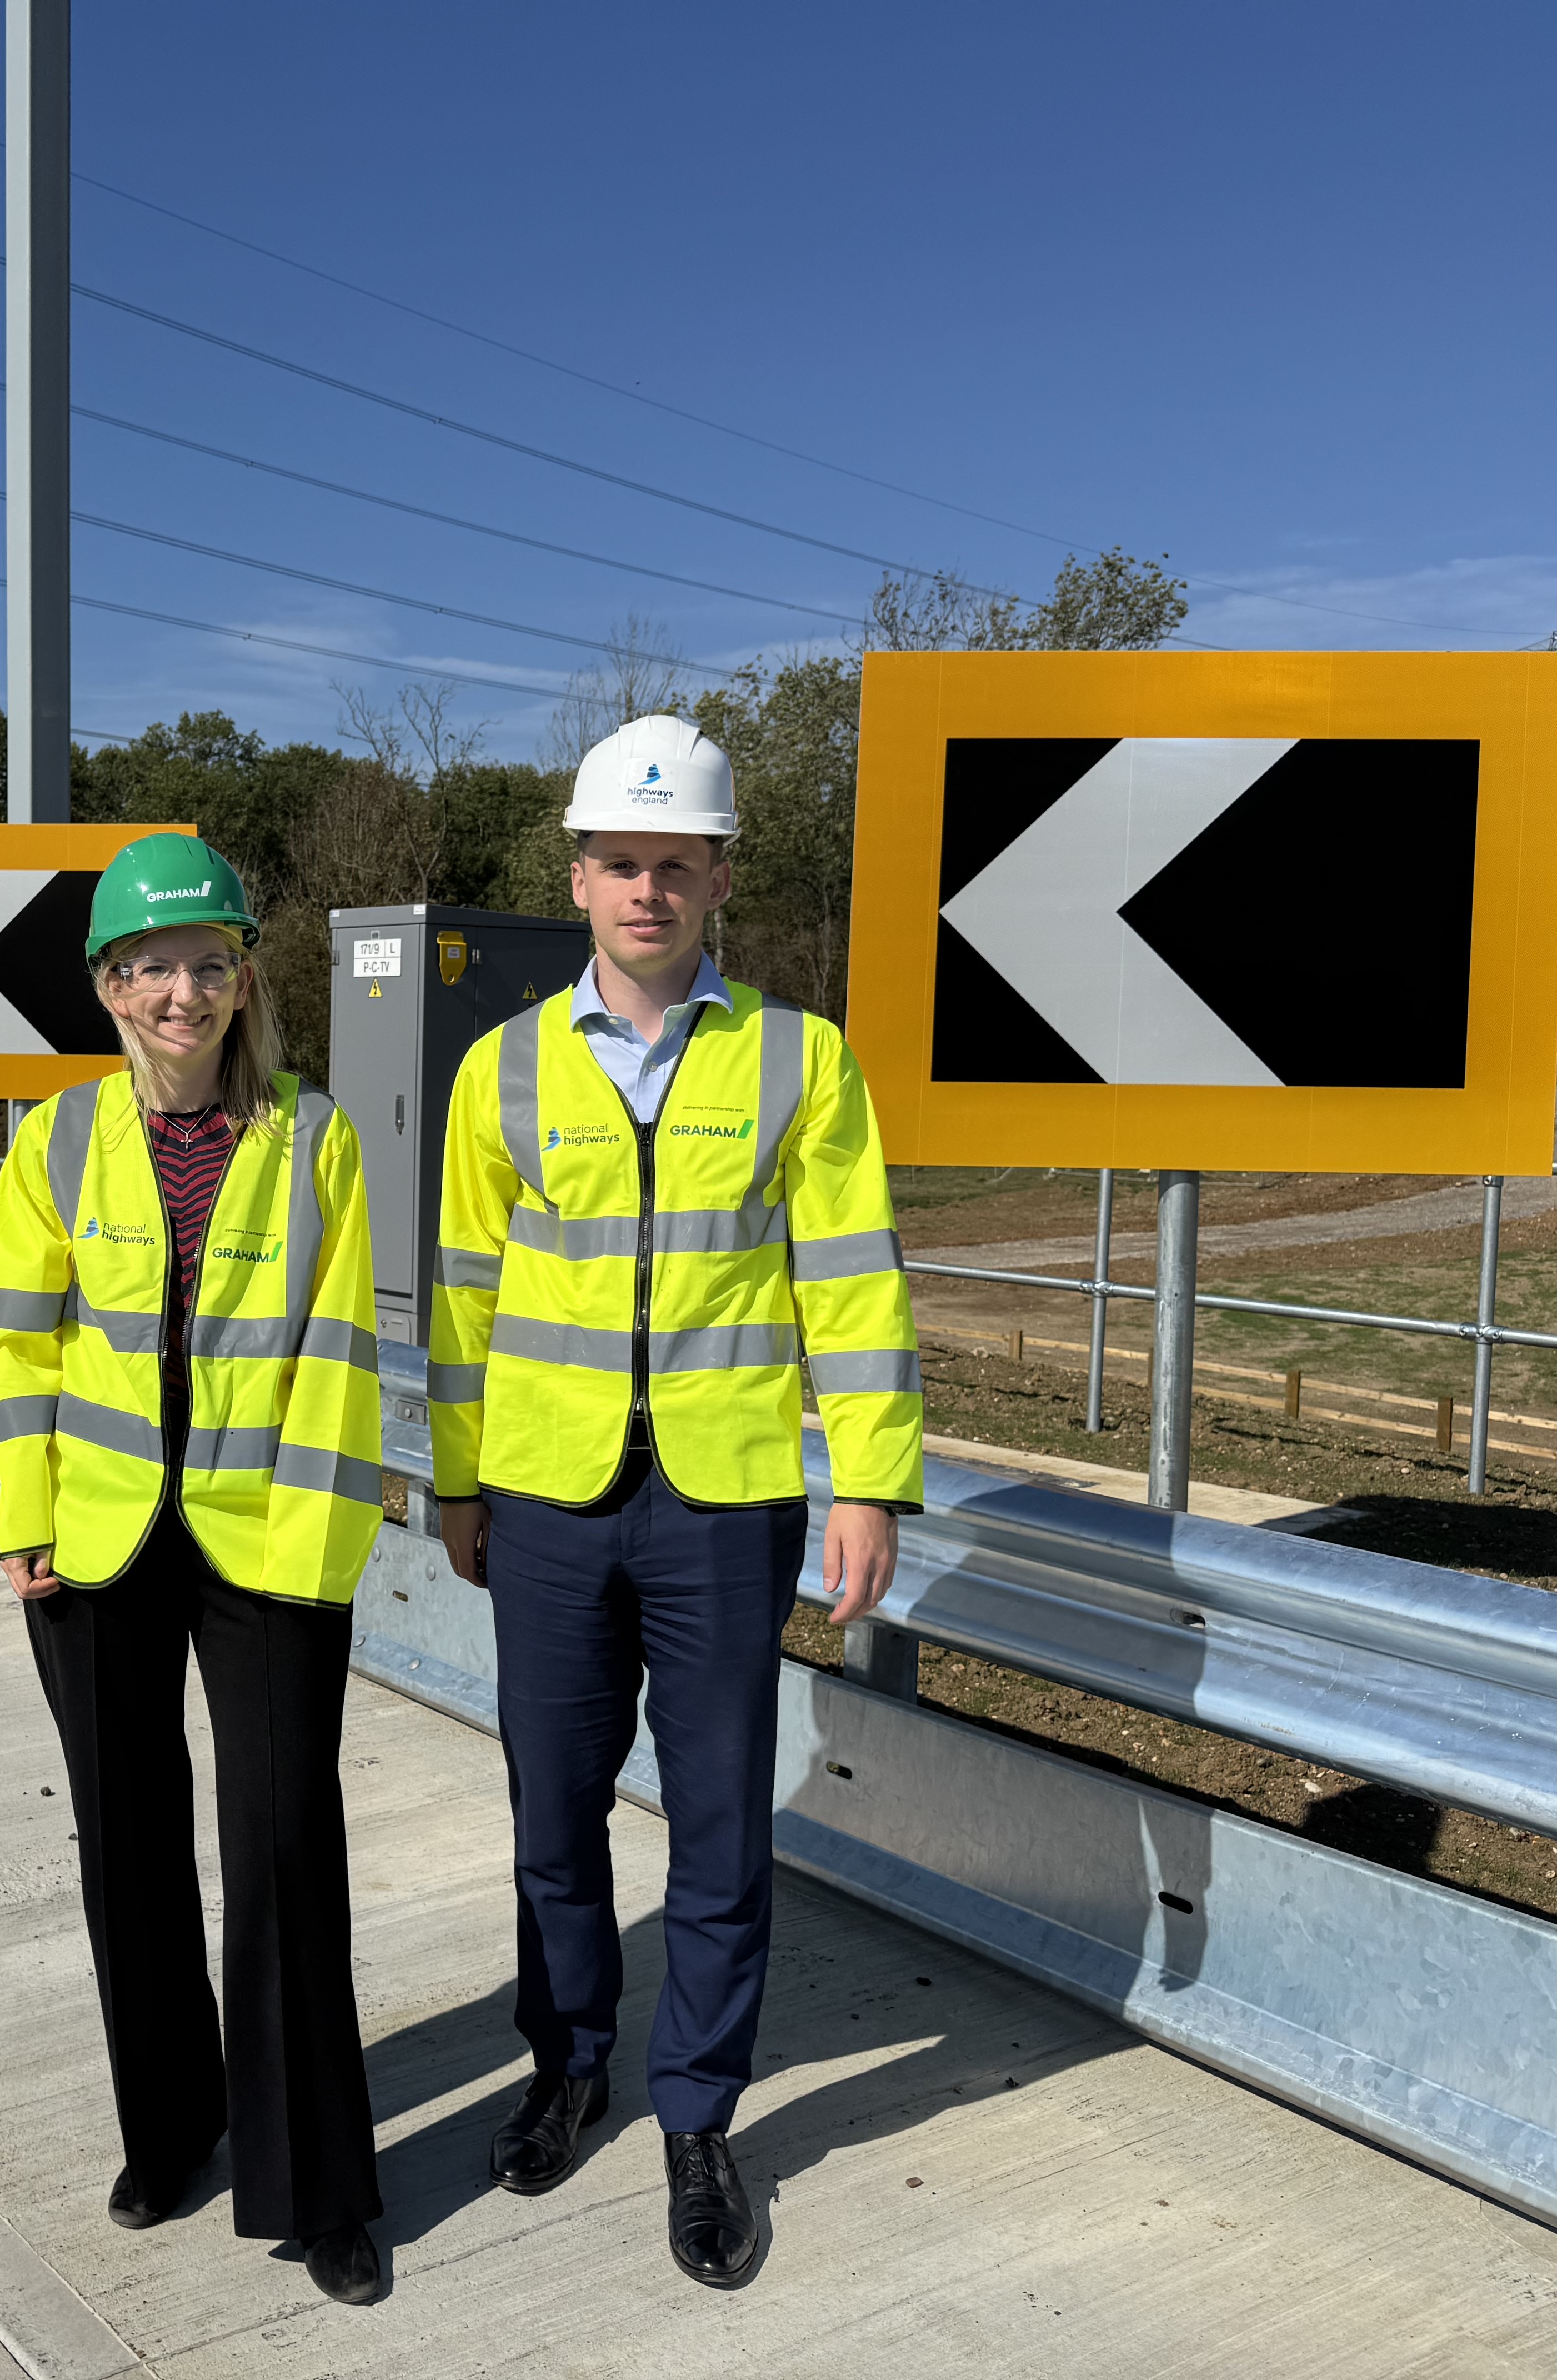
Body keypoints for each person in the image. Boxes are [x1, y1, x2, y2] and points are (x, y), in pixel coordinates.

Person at [427, 715, 923, 2288]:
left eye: (677, 862)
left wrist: (871, 1478)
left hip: (726, 1499)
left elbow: (852, 1281)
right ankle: (567, 2060)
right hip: (553, 1500)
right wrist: (456, 1477)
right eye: (621, 861)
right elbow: (459, 1296)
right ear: (579, 875)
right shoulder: (501, 1068)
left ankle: (697, 2116)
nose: (648, 888)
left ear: (718, 877)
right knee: (551, 1813)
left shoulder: (801, 1059)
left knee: (719, 1828)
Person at [0, 832, 391, 2306]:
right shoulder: (57, 1141)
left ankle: (319, 2182)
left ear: (241, 981)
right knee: (127, 1845)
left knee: (284, 1842)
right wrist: (24, 1506)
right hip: (94, 1539)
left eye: (206, 962)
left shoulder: (313, 1136)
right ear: (106, 984)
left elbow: (340, 1355)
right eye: (150, 964)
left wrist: (320, 1548)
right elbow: (22, 1343)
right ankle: (173, 2125)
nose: (180, 989)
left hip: (264, 1537)